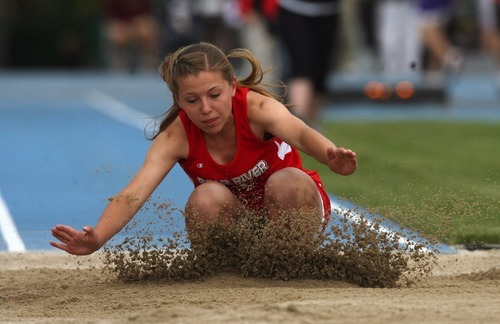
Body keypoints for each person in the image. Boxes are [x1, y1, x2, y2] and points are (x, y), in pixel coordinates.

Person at [50, 42, 357, 256]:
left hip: (293, 209)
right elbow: (133, 194)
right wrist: (98, 237)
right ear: (178, 99)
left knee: (287, 181)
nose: (206, 109)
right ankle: (228, 270)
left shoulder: (258, 108)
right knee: (204, 199)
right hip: (239, 225)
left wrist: (329, 155)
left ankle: (295, 262)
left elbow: (301, 133)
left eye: (214, 95)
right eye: (192, 100)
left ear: (233, 86)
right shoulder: (176, 136)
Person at [276, 0, 340, 126]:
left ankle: (312, 127)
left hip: (328, 10)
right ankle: (298, 128)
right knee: (301, 69)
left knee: (319, 76)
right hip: (295, 8)